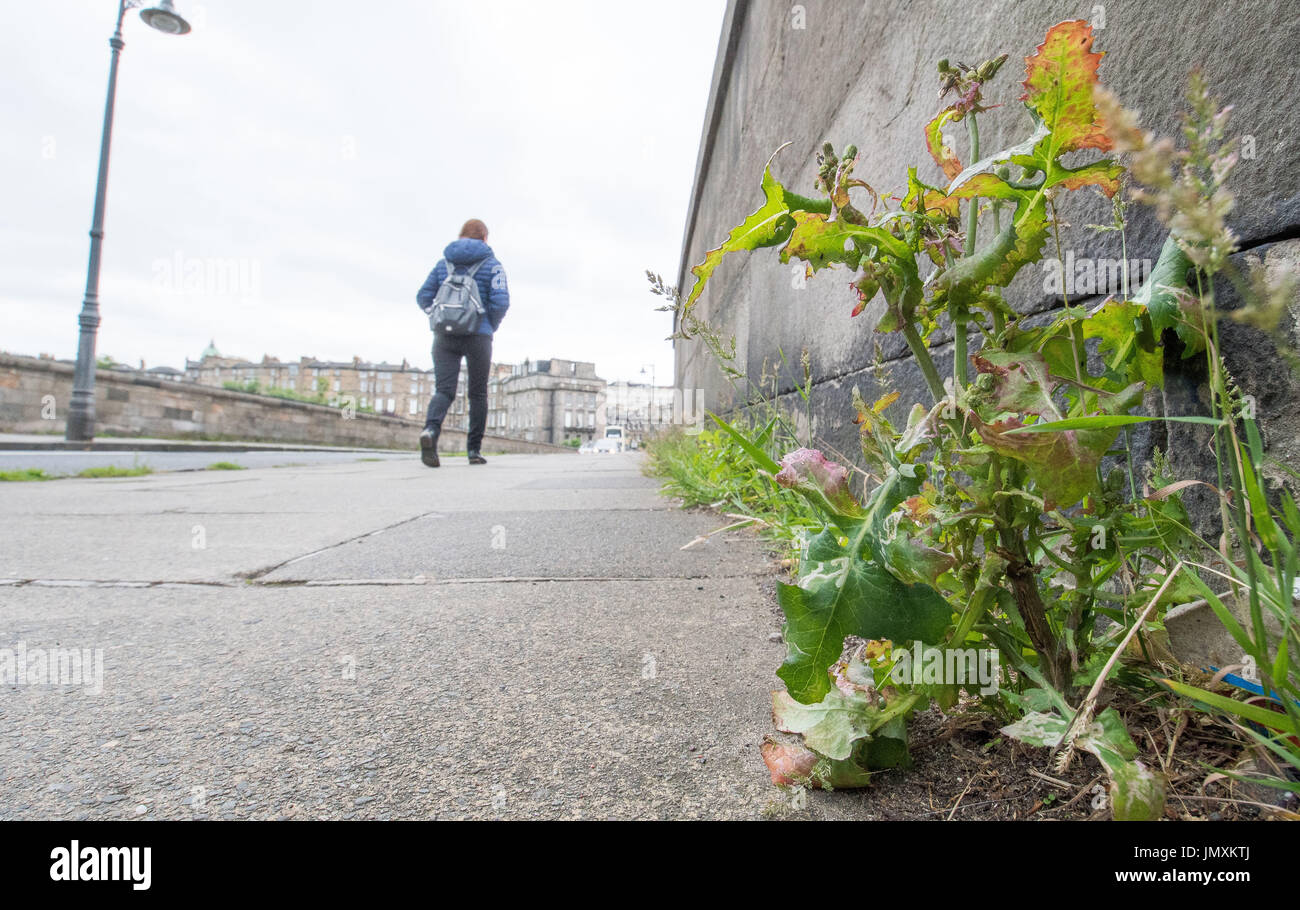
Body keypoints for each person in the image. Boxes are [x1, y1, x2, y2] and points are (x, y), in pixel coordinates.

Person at [415, 219, 510, 467]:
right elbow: (501, 302)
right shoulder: (493, 265)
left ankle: (431, 431)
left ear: (460, 236)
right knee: (477, 393)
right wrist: (489, 325)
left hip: (444, 334)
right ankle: (473, 451)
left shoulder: (443, 264)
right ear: (485, 239)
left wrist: (436, 316)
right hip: (479, 335)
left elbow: (423, 296)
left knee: (444, 390)